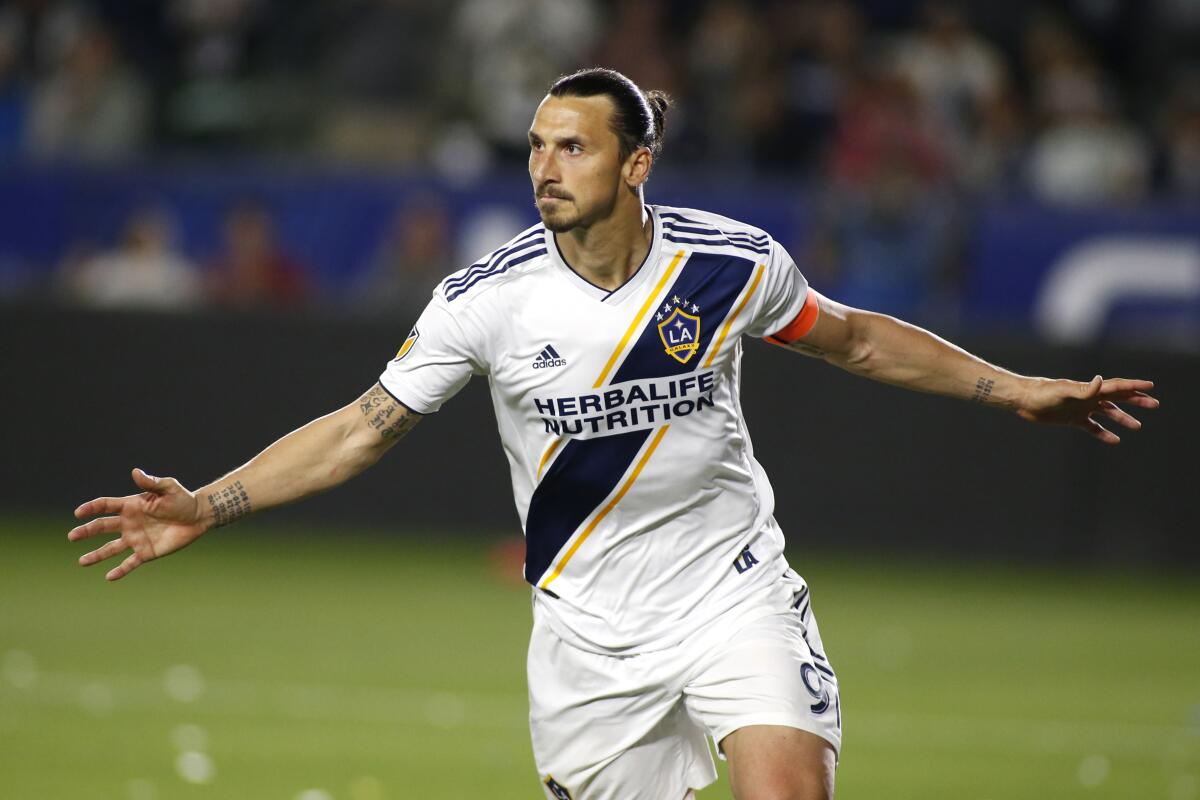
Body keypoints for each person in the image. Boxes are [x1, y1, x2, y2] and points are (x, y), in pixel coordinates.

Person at [68, 68, 1158, 800]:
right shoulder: (484, 299)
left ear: (634, 164)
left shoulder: (729, 263)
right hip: (587, 637)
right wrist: (206, 504)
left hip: (730, 592)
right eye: (538, 145)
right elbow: (361, 429)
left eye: (574, 147)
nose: (546, 165)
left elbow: (859, 339)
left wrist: (1014, 388)